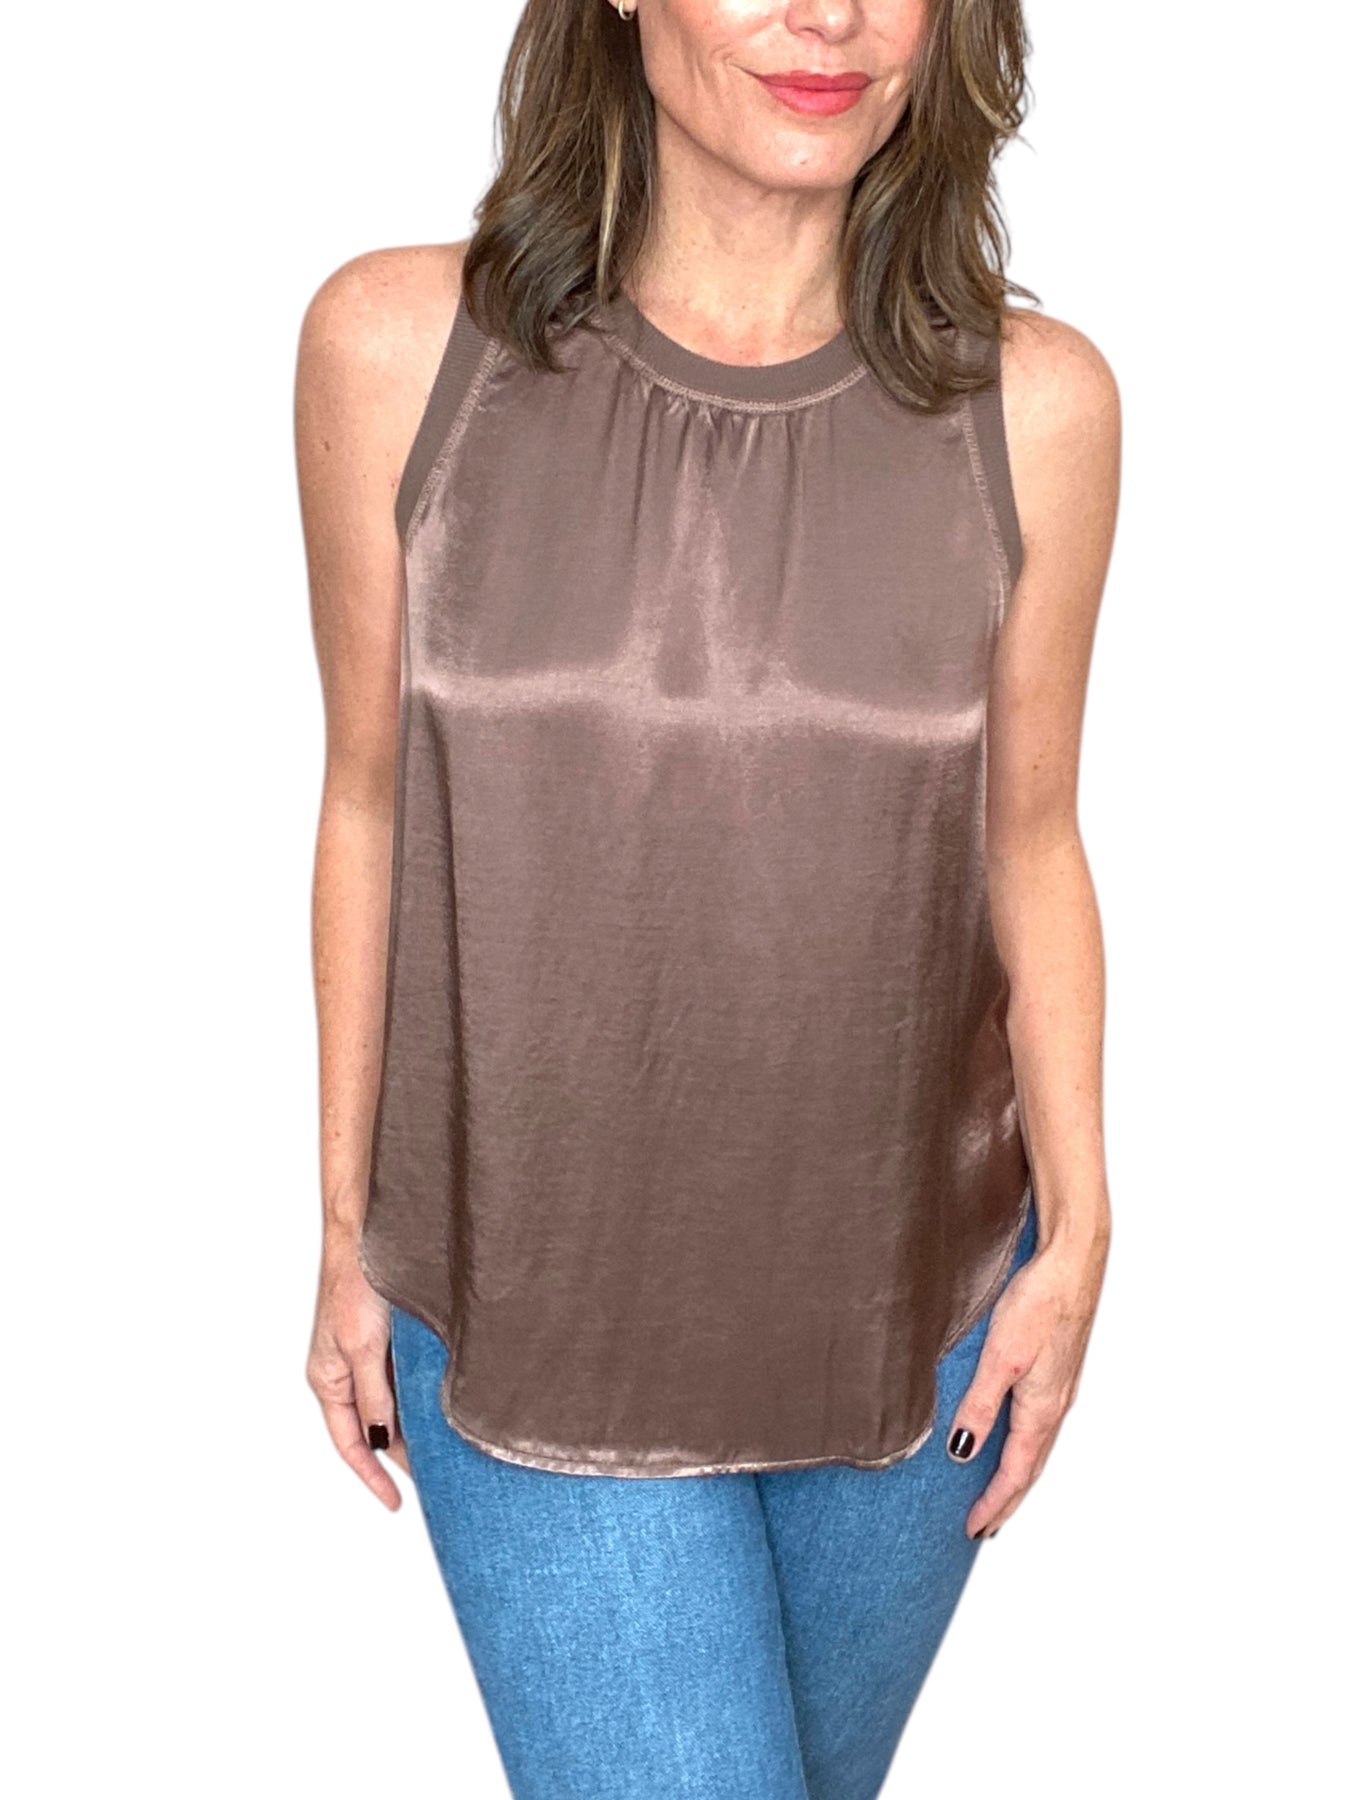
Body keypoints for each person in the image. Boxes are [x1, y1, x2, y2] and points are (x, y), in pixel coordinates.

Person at [294, 2, 1119, 1794]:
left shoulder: (1034, 401)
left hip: (909, 1337)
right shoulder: (396, 346)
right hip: (529, 1321)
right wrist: (344, 1230)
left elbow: (1029, 841)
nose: (829, 19)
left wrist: (1078, 1243)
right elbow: (368, 799)